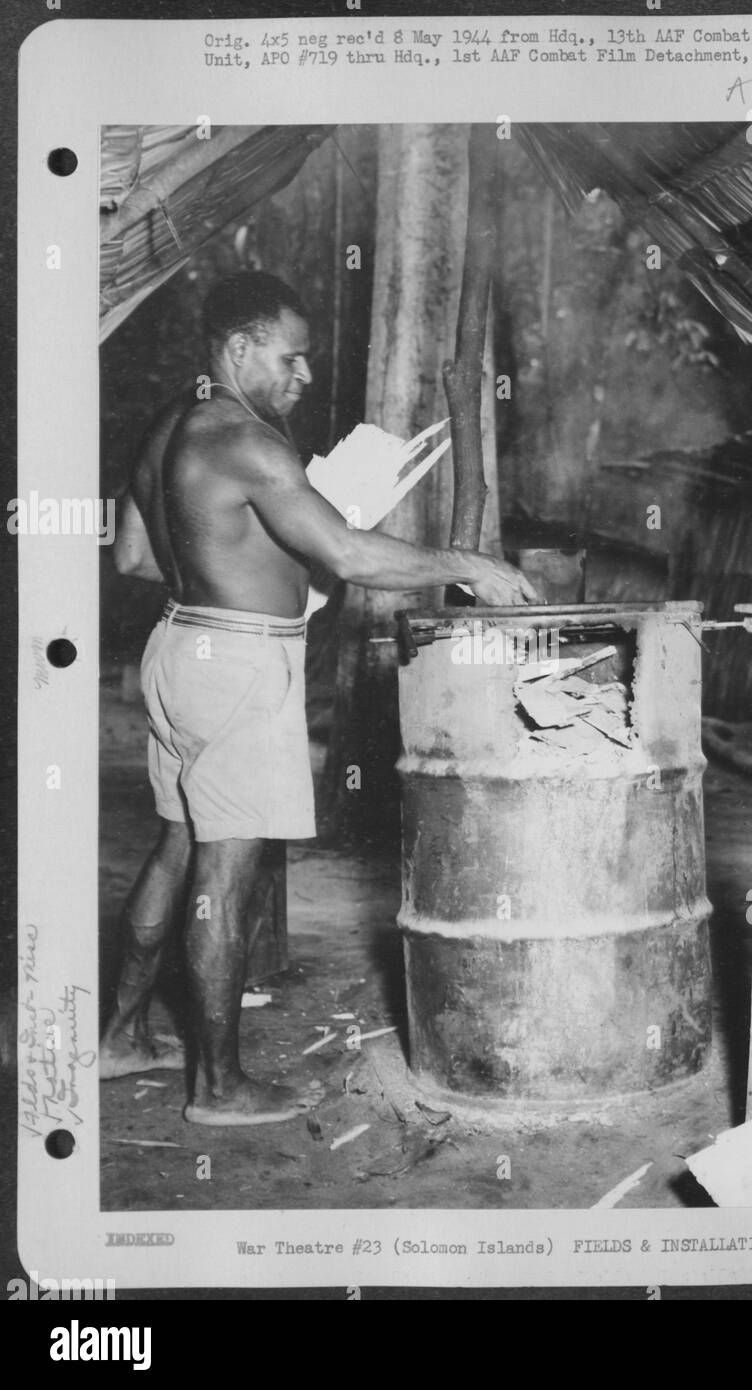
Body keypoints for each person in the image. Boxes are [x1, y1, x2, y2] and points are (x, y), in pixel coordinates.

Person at [99, 271, 539, 1125]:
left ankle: (121, 1038)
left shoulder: (166, 430)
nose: (302, 377)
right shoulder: (248, 440)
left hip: (177, 648)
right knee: (226, 874)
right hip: (237, 666)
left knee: (177, 846)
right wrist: (467, 563)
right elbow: (347, 555)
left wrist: (243, 572)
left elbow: (132, 561)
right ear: (239, 348)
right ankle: (218, 1087)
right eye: (290, 358)